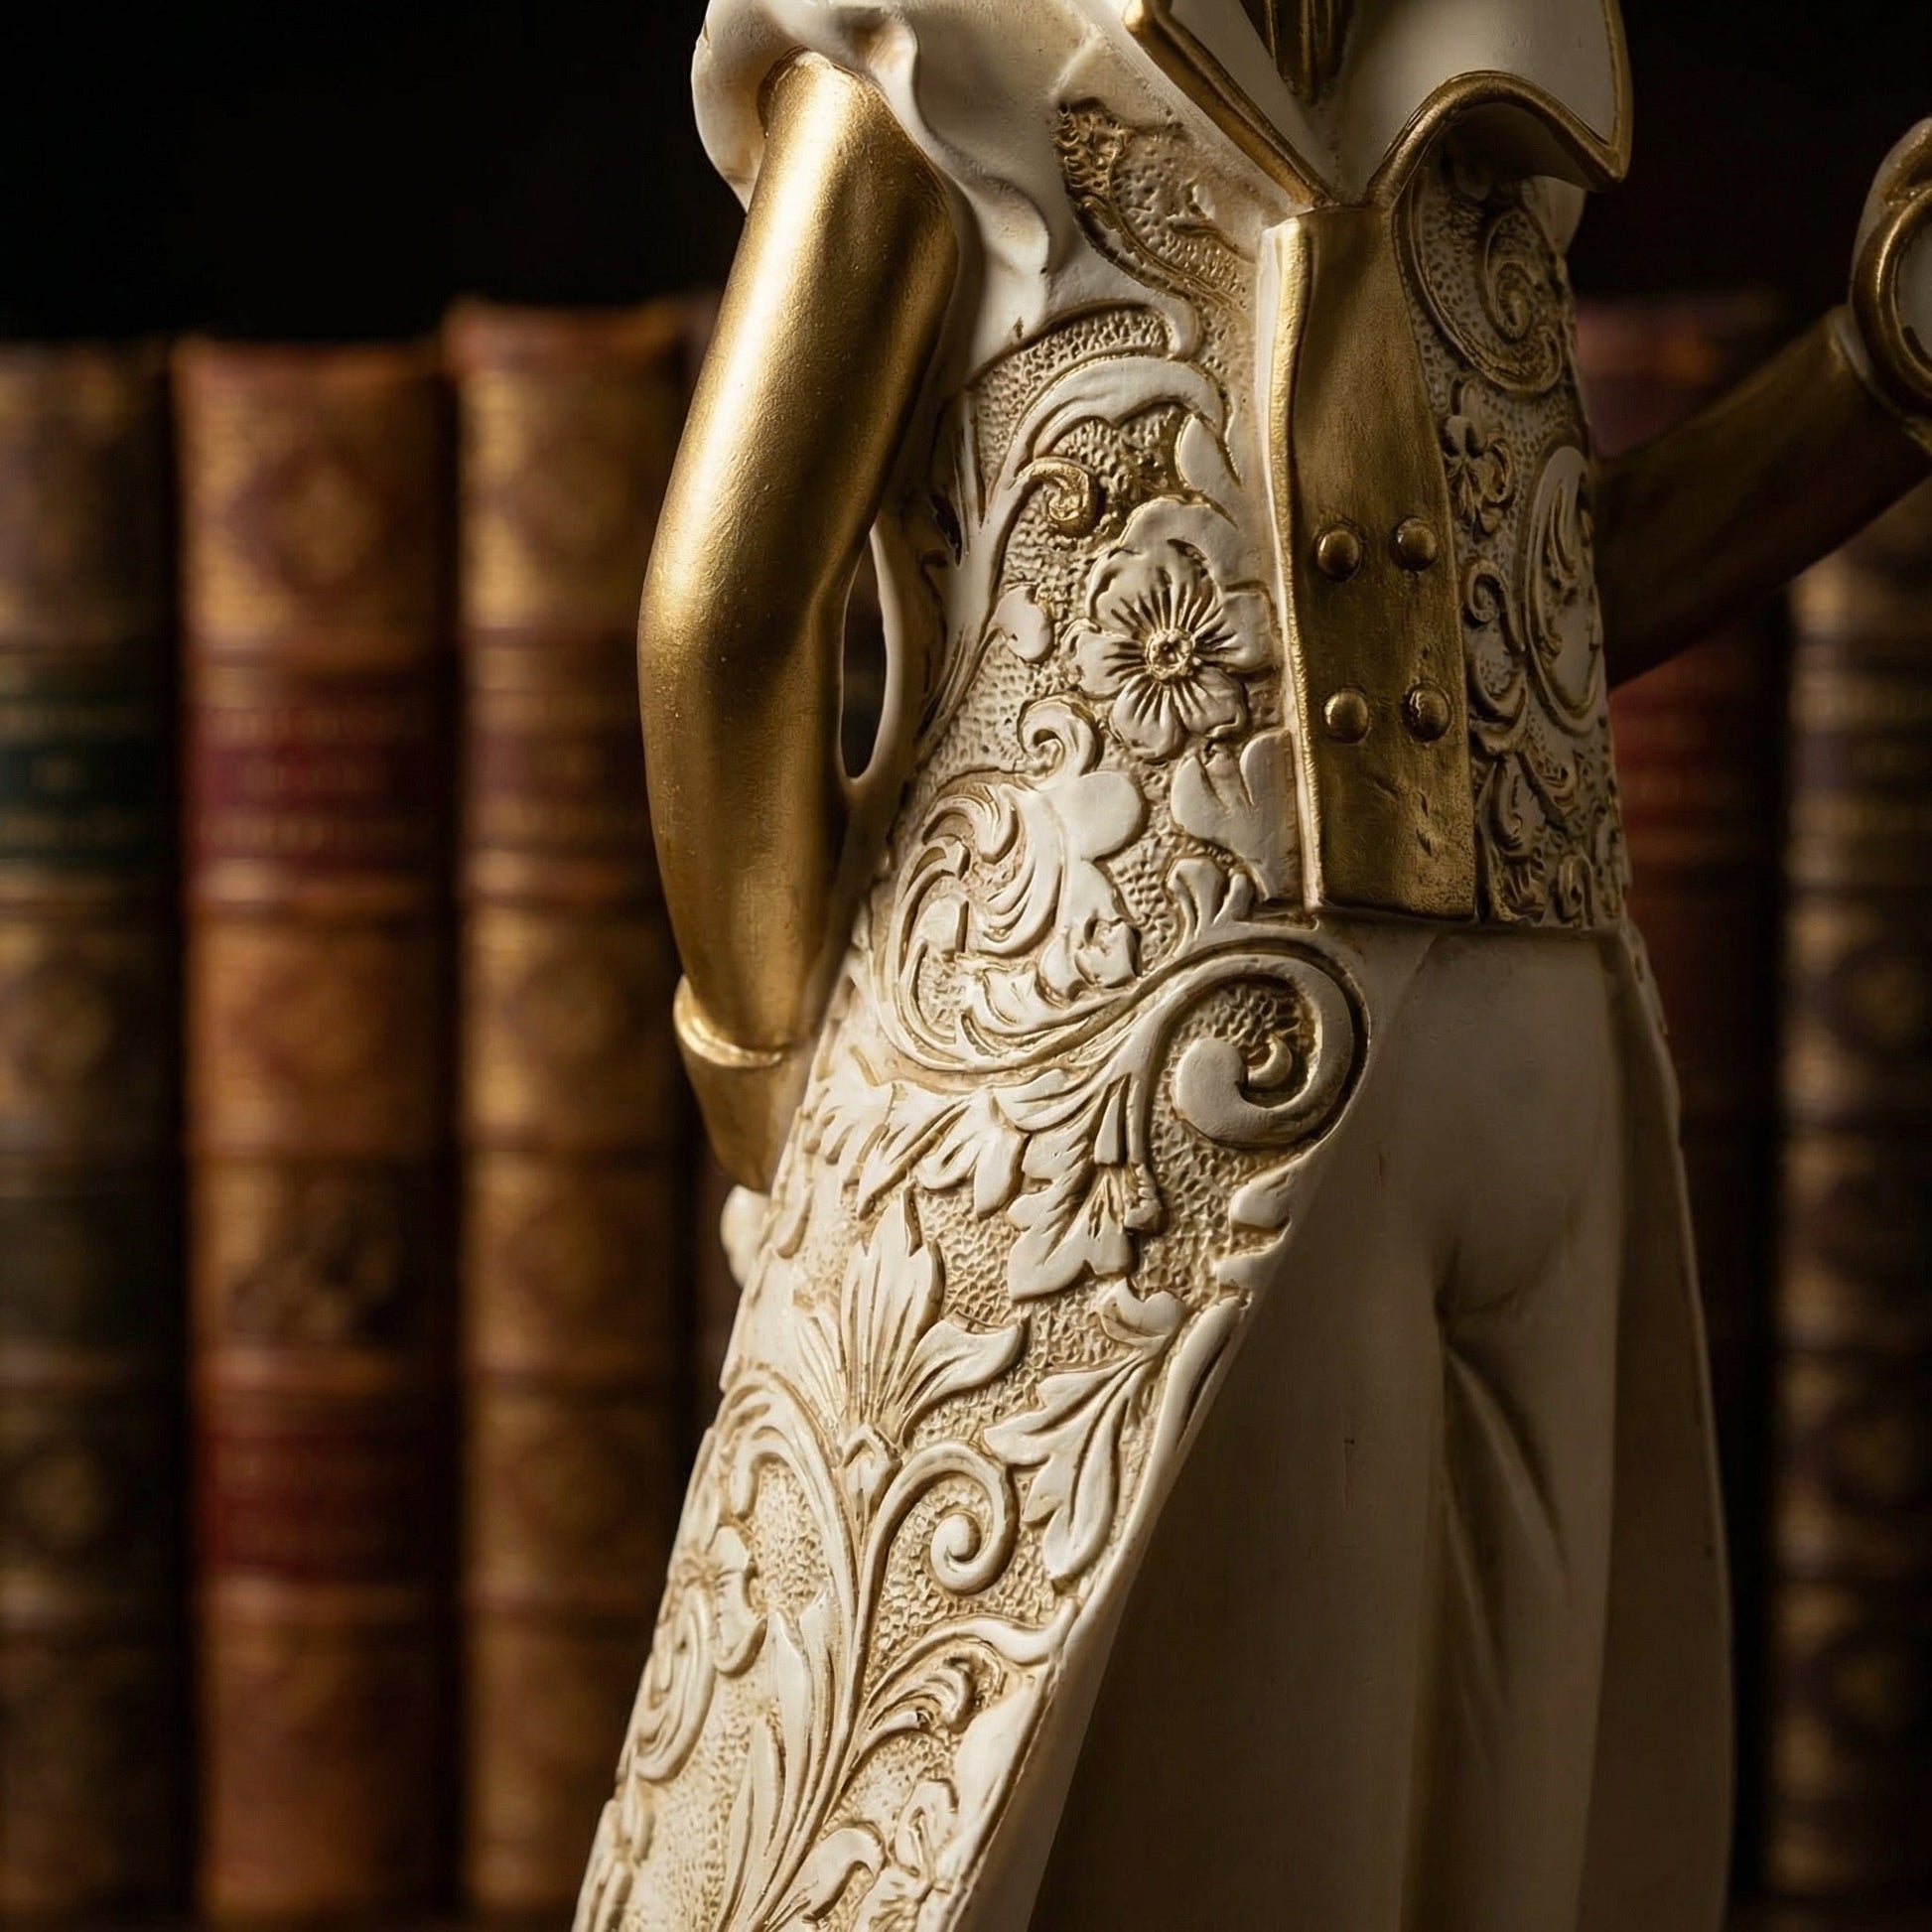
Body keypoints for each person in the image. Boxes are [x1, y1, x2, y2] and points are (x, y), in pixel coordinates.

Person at [579, 3, 1932, 1926]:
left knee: (1482, 1823)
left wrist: (1872, 377)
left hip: (1526, 1069)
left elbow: (1543, 592)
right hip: (1136, 1076)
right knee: (1228, 1813)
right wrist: (772, 1087)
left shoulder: (1486, 100)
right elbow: (723, 621)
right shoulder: (935, 58)